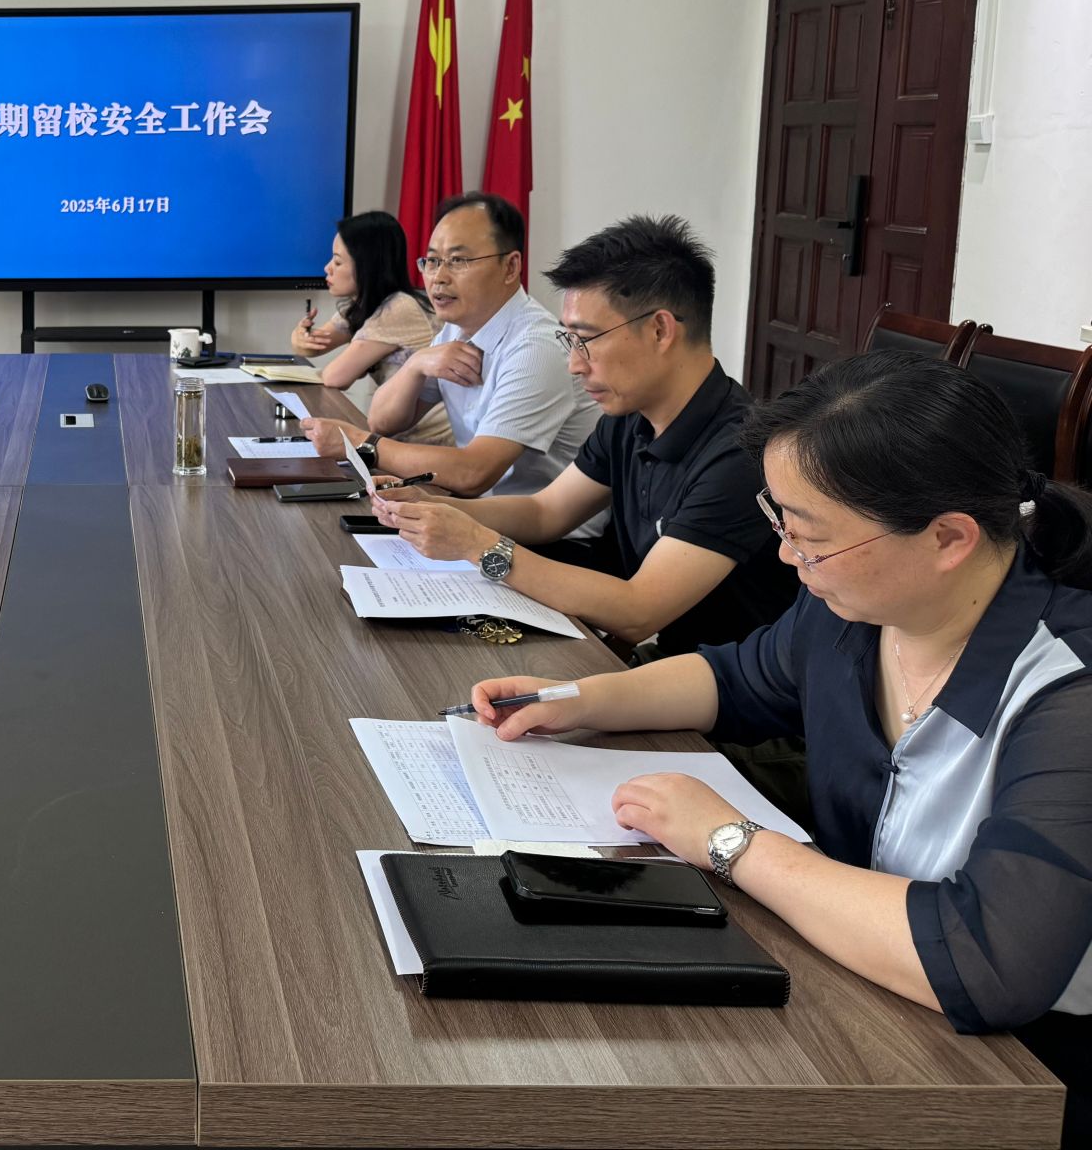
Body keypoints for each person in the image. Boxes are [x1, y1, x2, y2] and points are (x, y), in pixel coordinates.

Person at [468, 351, 1092, 1136]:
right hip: (858, 986)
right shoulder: (856, 609)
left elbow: (989, 960)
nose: (788, 557)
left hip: (1018, 1080)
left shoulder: (1067, 692)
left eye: (810, 537)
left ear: (947, 538)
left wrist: (728, 840)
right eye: (782, 522)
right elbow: (738, 678)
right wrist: (574, 700)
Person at [372, 215, 796, 653]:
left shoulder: (740, 453)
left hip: (723, 683)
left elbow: (640, 610)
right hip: (659, 660)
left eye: (586, 339)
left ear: (660, 330)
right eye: (569, 340)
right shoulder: (629, 416)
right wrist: (437, 508)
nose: (575, 364)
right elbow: (545, 512)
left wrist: (477, 545)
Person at [303, 192, 599, 500]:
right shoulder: (456, 328)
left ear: (510, 267)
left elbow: (474, 472)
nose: (438, 277)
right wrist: (416, 364)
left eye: (458, 260)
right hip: (477, 510)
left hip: (539, 526)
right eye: (432, 261)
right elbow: (382, 421)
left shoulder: (536, 348)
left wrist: (358, 443)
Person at [288, 210, 452, 446]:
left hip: (429, 442)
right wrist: (299, 337)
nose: (327, 268)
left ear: (368, 266)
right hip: (401, 436)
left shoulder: (399, 307)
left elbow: (336, 377)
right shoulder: (365, 304)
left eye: (338, 261)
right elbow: (314, 345)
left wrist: (304, 344)